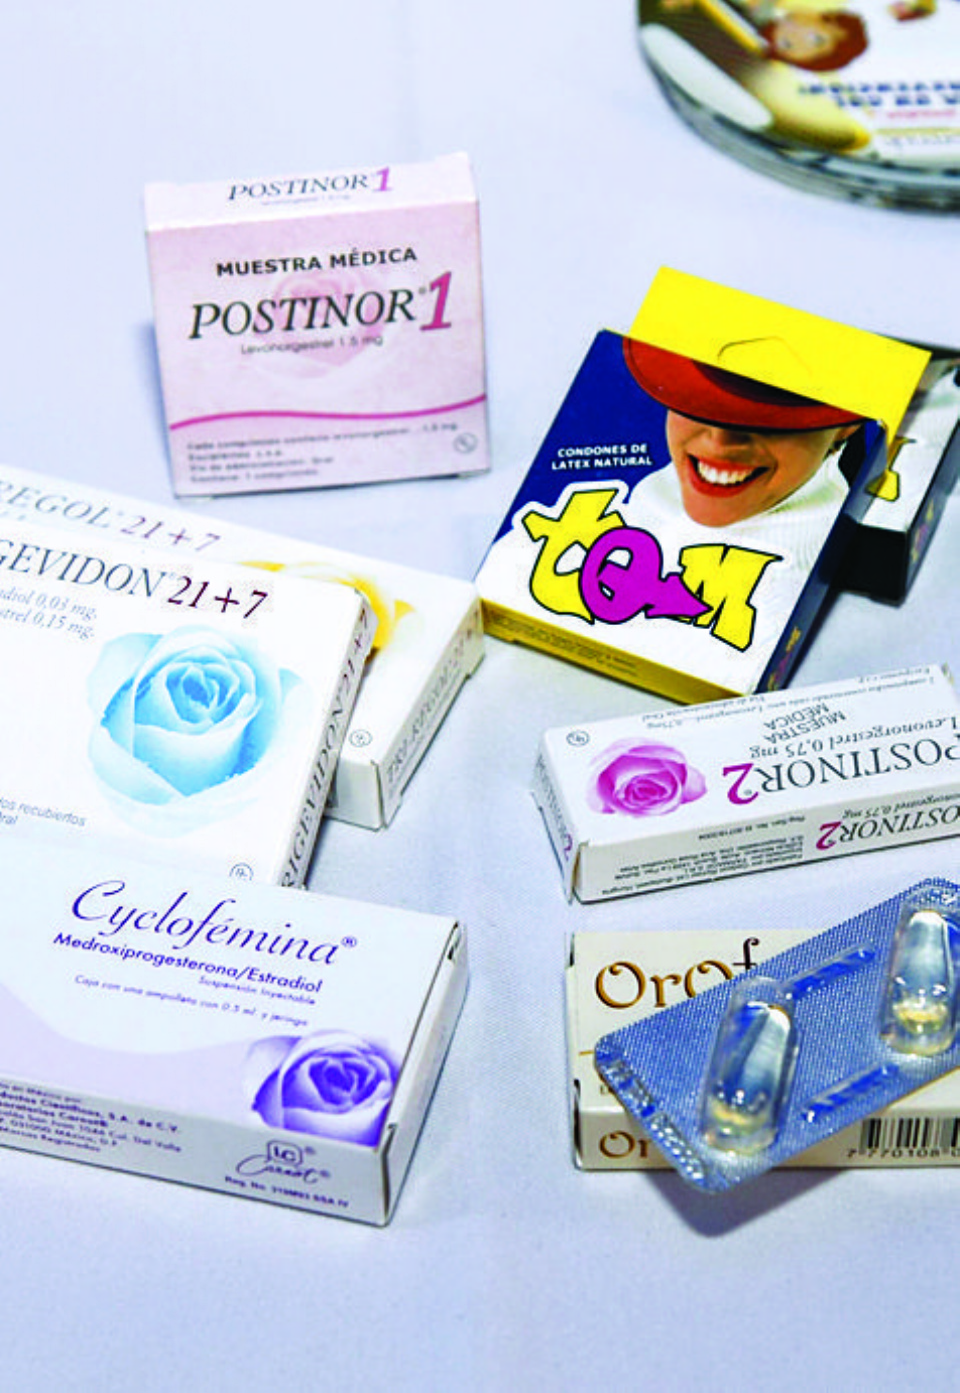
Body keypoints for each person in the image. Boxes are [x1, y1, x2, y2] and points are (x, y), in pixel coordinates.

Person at [622, 337, 864, 529]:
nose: (720, 440)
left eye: (768, 418)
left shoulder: (848, 543)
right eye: (701, 403)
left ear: (846, 426)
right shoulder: (646, 495)